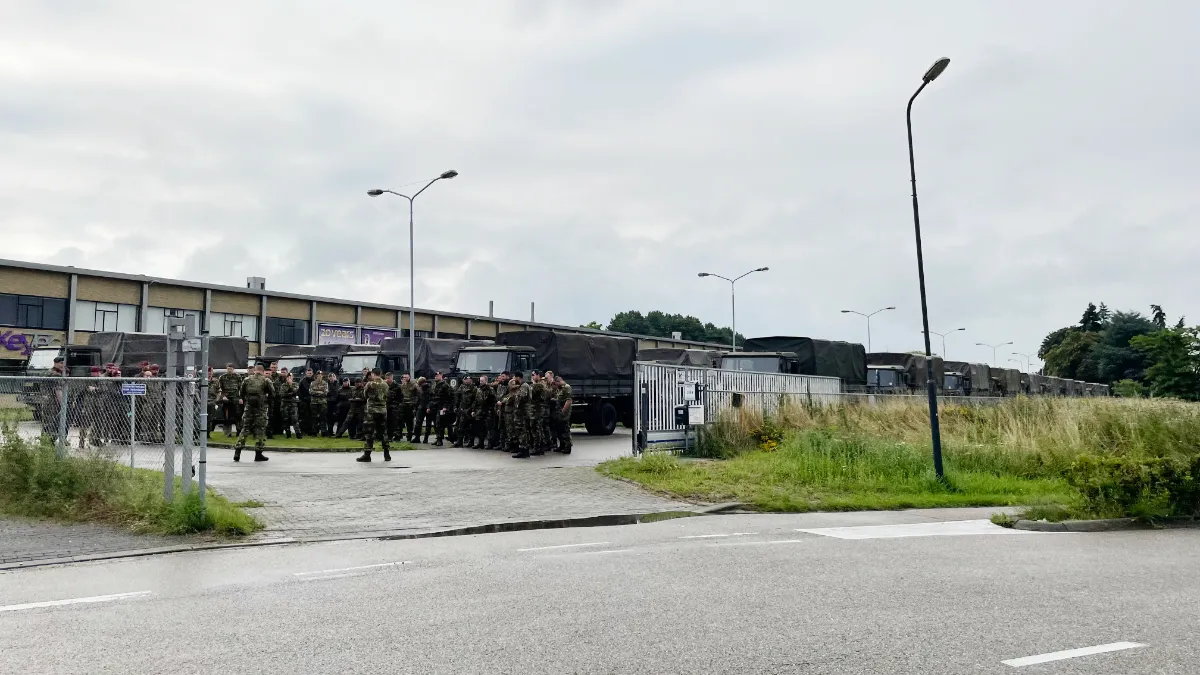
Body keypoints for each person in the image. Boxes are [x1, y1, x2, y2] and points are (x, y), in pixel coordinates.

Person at [233, 364, 273, 462]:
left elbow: (241, 393)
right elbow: (273, 393)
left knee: (245, 428)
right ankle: (258, 454)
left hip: (249, 407)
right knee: (260, 429)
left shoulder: (247, 380)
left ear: (255, 370)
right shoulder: (266, 380)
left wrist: (246, 400)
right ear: (263, 371)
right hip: (261, 408)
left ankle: (237, 451)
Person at [358, 369, 392, 462]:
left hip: (372, 410)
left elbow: (365, 395)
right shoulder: (385, 384)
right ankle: (387, 453)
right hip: (382, 410)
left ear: (373, 374)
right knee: (383, 432)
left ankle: (367, 454)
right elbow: (387, 396)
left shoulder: (370, 384)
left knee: (369, 432)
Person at [528, 371, 551, 456]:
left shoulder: (540, 384)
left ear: (538, 375)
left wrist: (533, 383)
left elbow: (531, 393)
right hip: (536, 409)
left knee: (536, 429)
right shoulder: (540, 384)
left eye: (533, 375)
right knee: (538, 429)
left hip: (537, 410)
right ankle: (541, 447)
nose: (532, 377)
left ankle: (537, 448)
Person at [217, 364, 243, 435]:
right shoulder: (222, 377)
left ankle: (239, 431)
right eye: (228, 369)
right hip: (226, 399)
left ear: (233, 369)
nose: (229, 370)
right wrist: (223, 396)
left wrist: (240, 398)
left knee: (238, 415)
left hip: (235, 398)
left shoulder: (237, 377)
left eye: (231, 369)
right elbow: (220, 389)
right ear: (226, 369)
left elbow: (241, 388)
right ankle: (227, 432)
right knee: (227, 416)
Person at [452, 376, 476, 447]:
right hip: (462, 409)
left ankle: (471, 441)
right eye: (464, 380)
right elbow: (458, 397)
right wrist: (456, 407)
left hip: (470, 410)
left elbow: (475, 400)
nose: (465, 381)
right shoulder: (462, 387)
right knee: (460, 426)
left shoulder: (474, 389)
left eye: (467, 380)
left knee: (470, 427)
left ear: (470, 380)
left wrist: (472, 409)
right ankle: (460, 441)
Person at [472, 375, 495, 449]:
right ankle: (480, 442)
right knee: (480, 427)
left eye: (482, 381)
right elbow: (475, 401)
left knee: (488, 428)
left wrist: (490, 410)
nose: (481, 382)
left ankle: (490, 443)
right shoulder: (478, 390)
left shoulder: (490, 389)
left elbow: (493, 400)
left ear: (486, 381)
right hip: (479, 411)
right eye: (480, 381)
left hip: (488, 411)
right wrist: (473, 410)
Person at [431, 372, 454, 446]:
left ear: (441, 376)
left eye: (438, 376)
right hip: (435, 406)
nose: (436, 377)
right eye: (436, 376)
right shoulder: (434, 384)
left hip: (441, 407)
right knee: (435, 424)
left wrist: (445, 407)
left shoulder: (445, 385)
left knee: (439, 424)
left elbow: (448, 397)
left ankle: (440, 440)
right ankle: (438, 438)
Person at [552, 374, 573, 454]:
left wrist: (563, 411)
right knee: (560, 430)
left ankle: (568, 447)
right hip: (559, 412)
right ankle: (562, 445)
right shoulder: (560, 389)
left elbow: (568, 401)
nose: (556, 385)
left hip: (564, 413)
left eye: (556, 384)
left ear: (559, 381)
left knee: (565, 429)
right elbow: (559, 399)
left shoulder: (567, 387)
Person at [398, 373, 419, 442]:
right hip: (403, 405)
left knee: (409, 422)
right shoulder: (402, 385)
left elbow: (418, 394)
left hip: (410, 405)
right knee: (401, 420)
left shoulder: (413, 384)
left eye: (406, 377)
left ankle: (409, 435)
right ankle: (399, 434)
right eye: (404, 377)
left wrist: (415, 403)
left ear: (409, 377)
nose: (405, 378)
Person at [279, 372, 301, 439]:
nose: (289, 378)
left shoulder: (295, 384)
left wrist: (290, 385)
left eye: (291, 377)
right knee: (285, 419)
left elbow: (294, 391)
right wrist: (289, 392)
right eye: (288, 377)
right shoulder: (283, 385)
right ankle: (288, 434)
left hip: (293, 403)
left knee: (295, 419)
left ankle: (298, 433)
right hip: (285, 404)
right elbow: (282, 394)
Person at [308, 370, 329, 437]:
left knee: (323, 418)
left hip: (322, 403)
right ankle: (314, 432)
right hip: (314, 403)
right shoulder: (312, 383)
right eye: (318, 375)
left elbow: (325, 392)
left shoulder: (325, 383)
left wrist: (316, 392)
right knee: (314, 418)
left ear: (322, 376)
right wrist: (320, 392)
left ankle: (323, 431)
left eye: (321, 375)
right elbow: (311, 392)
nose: (319, 376)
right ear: (316, 376)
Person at [414, 376, 434, 443]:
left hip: (424, 407)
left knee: (419, 423)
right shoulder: (426, 388)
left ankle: (418, 437)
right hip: (423, 407)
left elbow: (429, 399)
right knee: (427, 424)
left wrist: (428, 407)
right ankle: (425, 438)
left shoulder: (427, 389)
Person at [384, 372, 400, 441]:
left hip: (394, 407)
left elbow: (400, 397)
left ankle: (397, 436)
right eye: (386, 378)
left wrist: (396, 405)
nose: (387, 380)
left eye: (388, 378)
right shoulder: (385, 386)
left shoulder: (397, 386)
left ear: (391, 378)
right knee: (388, 422)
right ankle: (389, 436)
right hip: (387, 406)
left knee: (395, 422)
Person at [298, 367, 313, 436]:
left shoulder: (314, 381)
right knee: (303, 416)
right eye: (308, 373)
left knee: (311, 416)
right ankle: (303, 430)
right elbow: (299, 391)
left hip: (312, 401)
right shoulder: (302, 381)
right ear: (305, 373)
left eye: (310, 373)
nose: (309, 374)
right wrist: (303, 399)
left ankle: (310, 430)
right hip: (304, 401)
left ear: (312, 373)